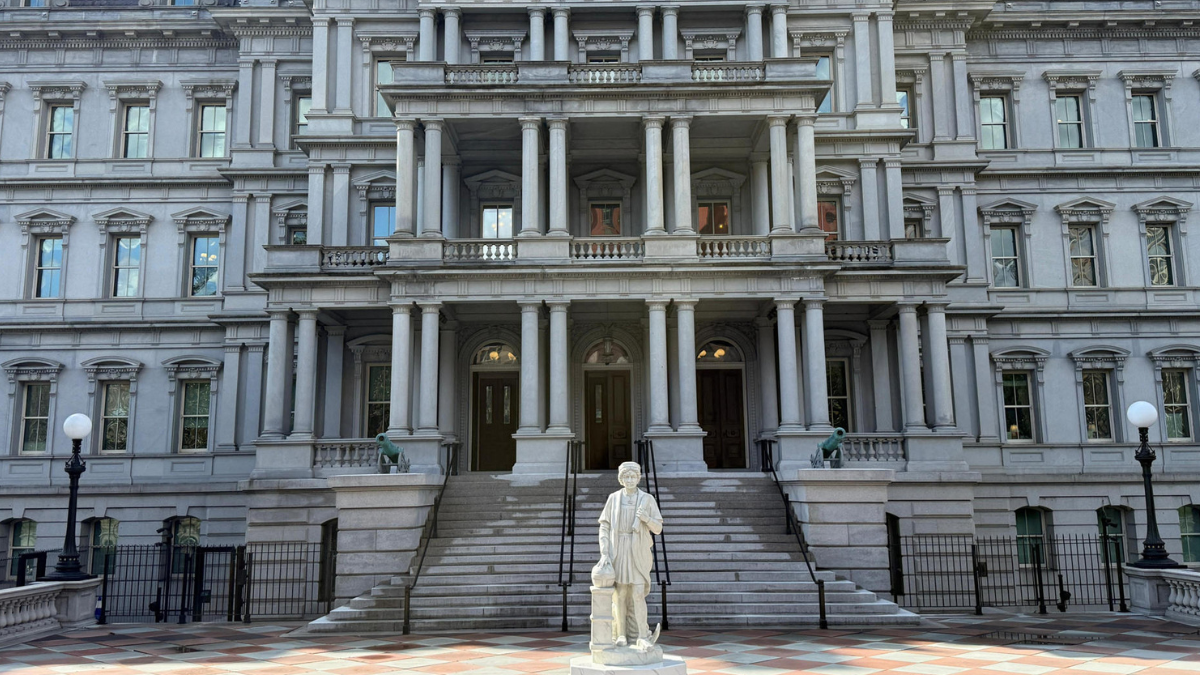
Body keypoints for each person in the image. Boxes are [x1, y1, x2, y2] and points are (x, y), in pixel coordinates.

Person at [597, 461, 663, 649]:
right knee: (620, 594)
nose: (630, 479)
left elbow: (658, 528)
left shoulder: (647, 499)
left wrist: (646, 519)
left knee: (638, 593)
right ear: (621, 479)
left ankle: (642, 635)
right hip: (618, 549)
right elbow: (605, 525)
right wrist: (604, 551)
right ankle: (621, 635)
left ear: (638, 478)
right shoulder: (614, 498)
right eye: (626, 476)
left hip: (638, 551)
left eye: (633, 476)